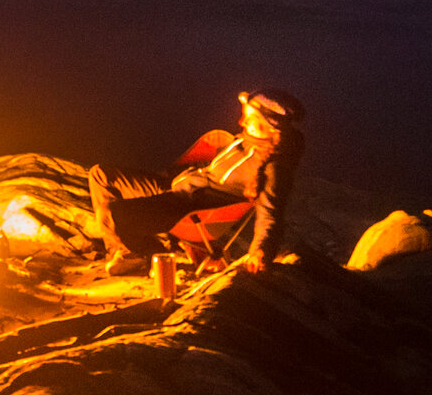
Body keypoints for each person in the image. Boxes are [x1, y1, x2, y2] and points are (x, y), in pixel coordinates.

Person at [86, 90, 306, 275]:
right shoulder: (248, 140)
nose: (242, 121)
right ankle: (123, 250)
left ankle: (144, 253)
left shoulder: (272, 169)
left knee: (113, 213)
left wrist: (261, 250)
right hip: (179, 187)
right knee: (100, 175)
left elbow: (271, 213)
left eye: (251, 117)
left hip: (187, 208)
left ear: (269, 127)